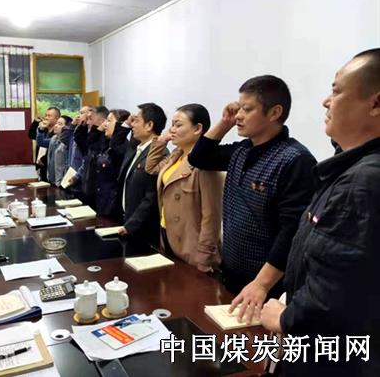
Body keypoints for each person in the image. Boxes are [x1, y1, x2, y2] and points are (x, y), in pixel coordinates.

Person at [261, 49, 380, 377]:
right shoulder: (352, 169)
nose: (326, 102)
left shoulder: (363, 181)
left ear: (376, 104)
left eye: (336, 91)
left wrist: (285, 318)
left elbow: (336, 293)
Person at [188, 75, 317, 323]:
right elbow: (198, 158)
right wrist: (224, 123)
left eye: (247, 109)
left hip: (267, 287)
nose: (238, 115)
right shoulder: (242, 150)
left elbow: (292, 230)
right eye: (238, 109)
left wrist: (261, 284)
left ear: (274, 112)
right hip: (231, 273)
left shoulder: (295, 159)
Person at [145, 104, 223, 271]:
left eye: (178, 125)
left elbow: (211, 217)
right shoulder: (176, 155)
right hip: (167, 234)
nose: (172, 129)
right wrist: (161, 141)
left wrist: (205, 257)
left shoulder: (206, 163)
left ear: (198, 129)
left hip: (191, 245)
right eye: (172, 124)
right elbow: (151, 168)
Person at [118, 103, 167, 249]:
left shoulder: (160, 154)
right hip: (128, 222)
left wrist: (131, 225)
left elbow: (151, 197)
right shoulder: (137, 148)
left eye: (136, 120)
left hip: (143, 230)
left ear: (149, 125)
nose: (132, 124)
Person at [94, 109, 131, 218]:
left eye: (109, 121)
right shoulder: (106, 144)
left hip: (113, 207)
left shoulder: (122, 147)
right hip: (101, 202)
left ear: (119, 125)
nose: (105, 124)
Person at [72, 106, 109, 207]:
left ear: (102, 121)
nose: (87, 122)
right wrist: (82, 125)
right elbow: (80, 140)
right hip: (88, 188)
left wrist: (97, 131)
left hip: (99, 194)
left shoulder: (104, 139)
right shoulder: (93, 137)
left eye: (90, 119)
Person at [28, 107, 60, 181]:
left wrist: (43, 160)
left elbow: (54, 149)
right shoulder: (43, 129)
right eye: (46, 115)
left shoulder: (57, 132)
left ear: (57, 118)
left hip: (50, 166)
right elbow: (31, 135)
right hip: (40, 166)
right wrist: (35, 122)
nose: (46, 118)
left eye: (49, 116)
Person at [47, 115, 73, 186]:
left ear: (67, 128)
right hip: (52, 179)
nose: (55, 126)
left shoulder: (68, 142)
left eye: (60, 124)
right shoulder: (53, 139)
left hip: (62, 181)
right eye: (56, 123)